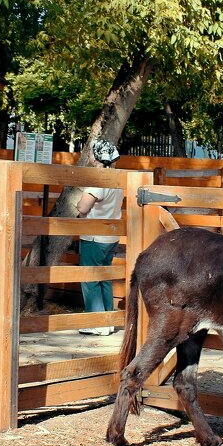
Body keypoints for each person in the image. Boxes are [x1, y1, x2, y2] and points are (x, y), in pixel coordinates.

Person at [77, 140, 124, 335]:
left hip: (94, 236)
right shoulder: (117, 178)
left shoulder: (98, 180)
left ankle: (96, 322)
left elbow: (83, 207)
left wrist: (78, 207)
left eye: (90, 153)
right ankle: (108, 319)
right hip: (111, 236)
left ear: (96, 157)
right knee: (104, 278)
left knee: (90, 278)